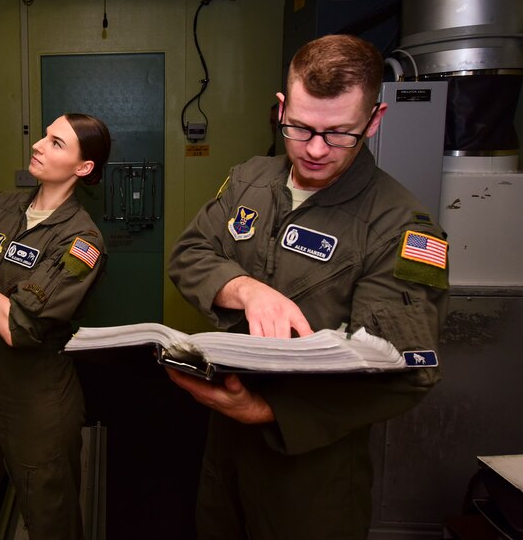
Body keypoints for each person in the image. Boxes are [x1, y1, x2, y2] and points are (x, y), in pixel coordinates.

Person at [167, 34, 449, 540]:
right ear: (281, 109)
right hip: (225, 443)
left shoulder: (403, 226)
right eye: (299, 128)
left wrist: (271, 411)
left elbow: (407, 371)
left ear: (375, 120)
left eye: (339, 133)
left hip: (310, 466)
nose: (316, 149)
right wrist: (246, 288)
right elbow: (189, 254)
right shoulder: (250, 179)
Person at [0, 113, 111, 540]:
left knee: (51, 520)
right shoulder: (1, 207)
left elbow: (19, 328)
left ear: (83, 168)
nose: (39, 145)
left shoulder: (82, 242)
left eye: (56, 143)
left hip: (38, 404)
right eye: (44, 136)